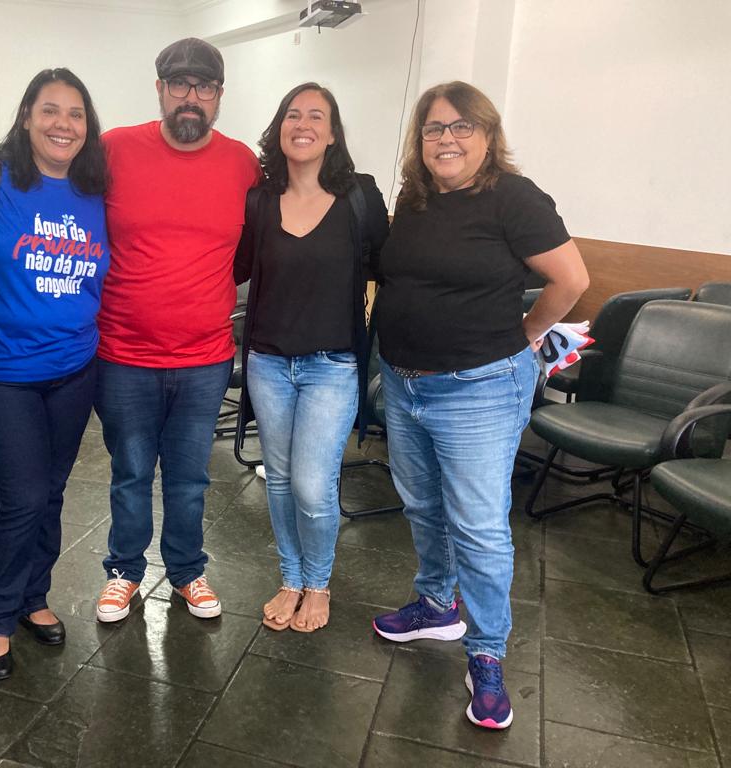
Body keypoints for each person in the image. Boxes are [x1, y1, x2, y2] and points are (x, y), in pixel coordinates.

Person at [371, 81, 589, 729]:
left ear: (488, 136)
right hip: (404, 382)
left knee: (479, 527)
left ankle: (487, 653)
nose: (447, 139)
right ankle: (437, 604)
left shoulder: (514, 198)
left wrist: (527, 334)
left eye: (462, 126)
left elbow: (571, 280)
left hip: (478, 389)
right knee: (422, 504)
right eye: (434, 128)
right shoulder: (413, 201)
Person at [92, 38, 259, 622]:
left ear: (219, 95)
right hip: (123, 355)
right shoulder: (114, 150)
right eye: (180, 84)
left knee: (189, 479)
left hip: (204, 358)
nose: (192, 97)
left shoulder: (242, 164)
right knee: (131, 474)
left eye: (204, 86)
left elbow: (252, 248)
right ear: (160, 88)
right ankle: (124, 571)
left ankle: (187, 571)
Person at [0, 69, 110, 680]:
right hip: (3, 372)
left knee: (51, 490)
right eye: (49, 110)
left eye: (75, 113)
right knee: (20, 497)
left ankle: (32, 596)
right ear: (25, 116)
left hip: (74, 368)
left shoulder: (95, 187)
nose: (62, 124)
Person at [234, 83, 388, 633]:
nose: (303, 124)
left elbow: (389, 270)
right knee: (278, 479)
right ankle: (291, 578)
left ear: (332, 133)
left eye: (316, 116)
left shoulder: (361, 197)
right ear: (279, 128)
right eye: (293, 115)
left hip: (333, 366)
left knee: (312, 485)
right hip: (269, 362)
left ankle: (318, 584)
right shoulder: (259, 200)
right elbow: (235, 269)